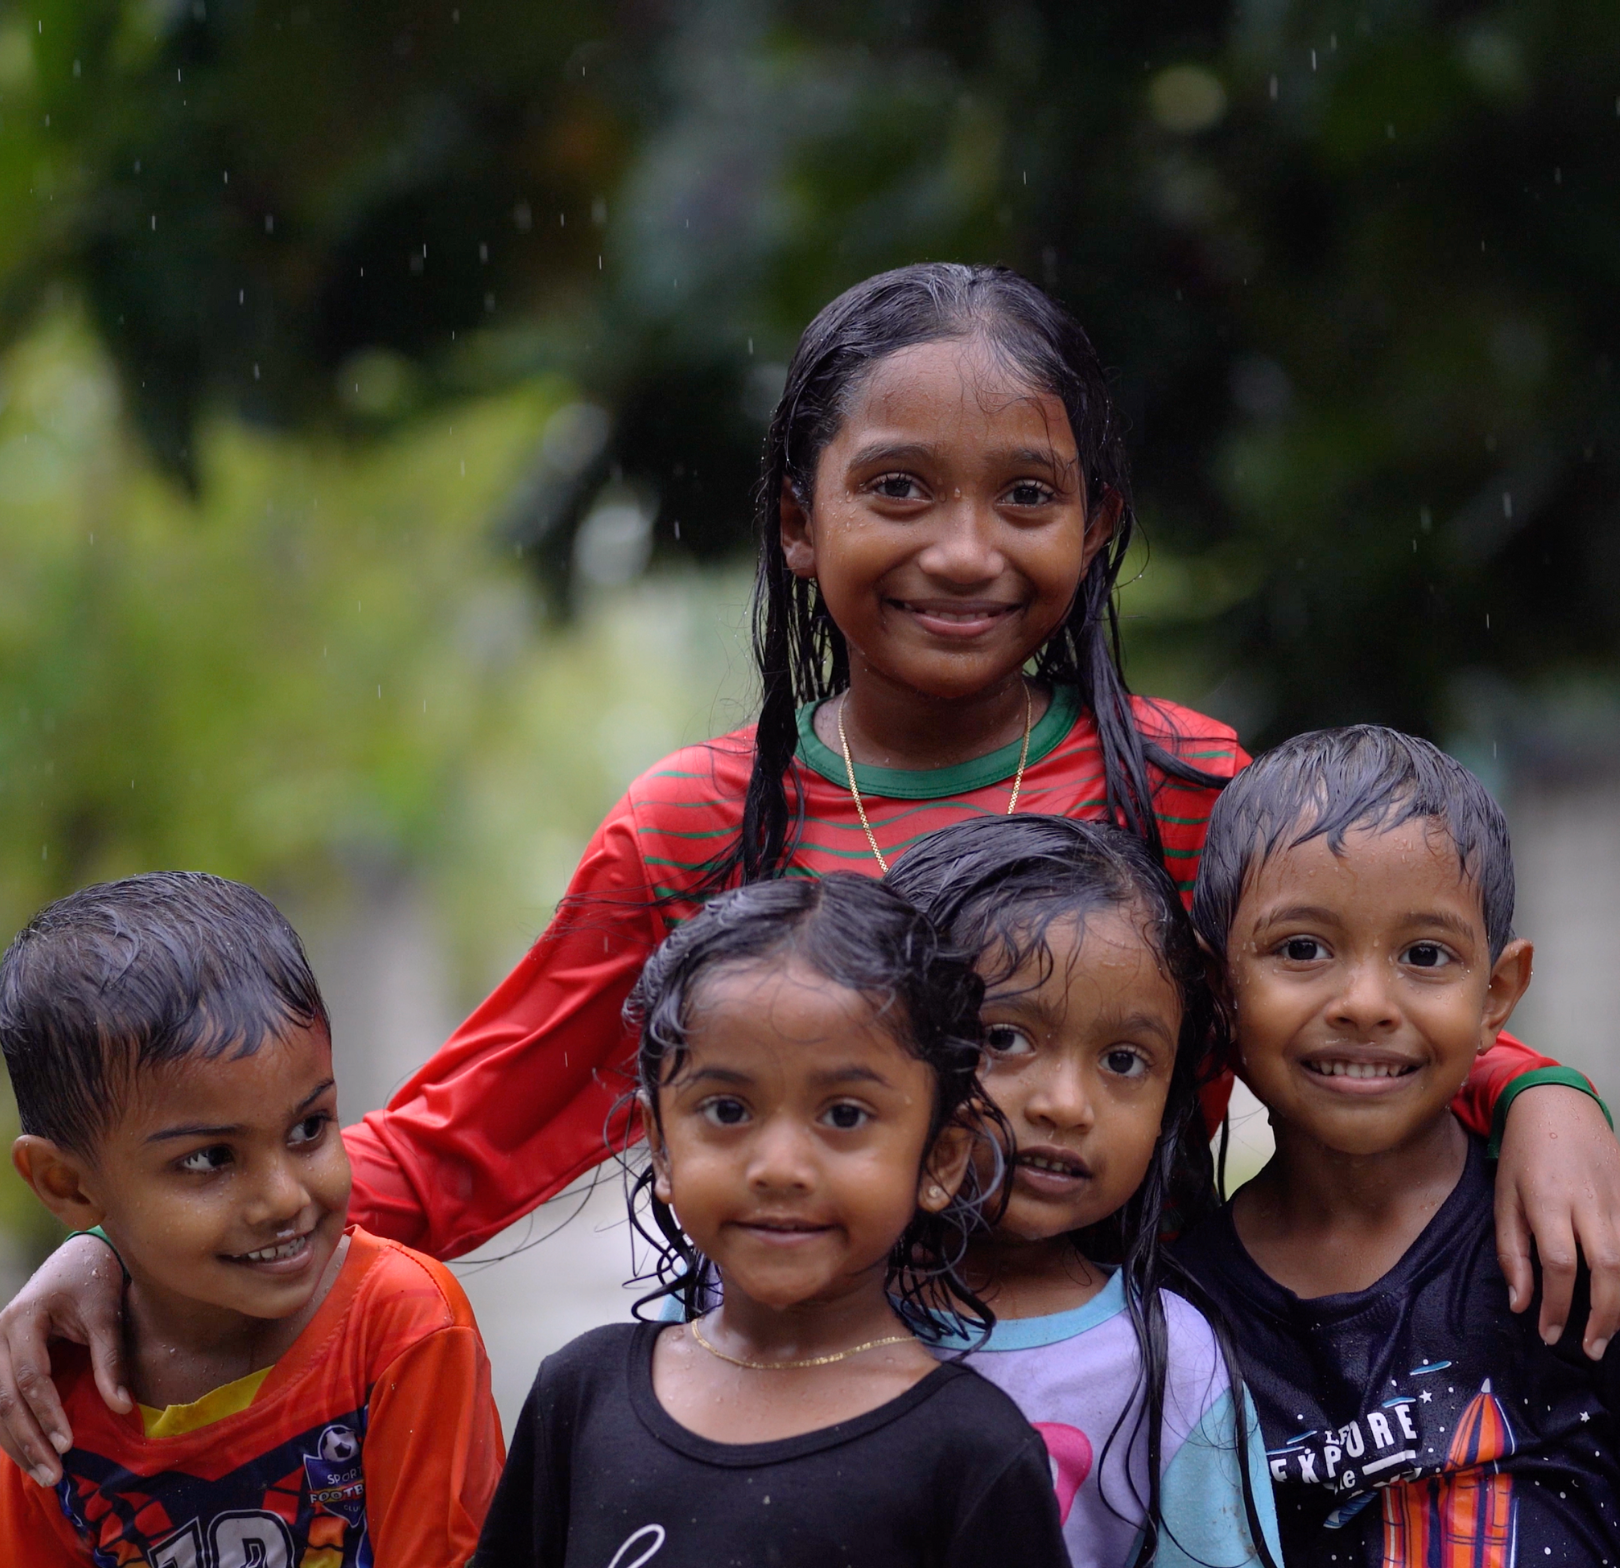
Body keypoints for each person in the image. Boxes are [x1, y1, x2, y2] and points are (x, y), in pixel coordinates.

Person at [4, 263, 1615, 1481]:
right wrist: (124, 1240)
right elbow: (460, 1147)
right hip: (787, 1440)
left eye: (1028, 499)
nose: (965, 551)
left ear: (1098, 520)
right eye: (898, 489)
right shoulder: (699, 829)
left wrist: (1533, 1093)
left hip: (1130, 1434)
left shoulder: (1183, 783)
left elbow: (1354, 998)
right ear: (796, 518)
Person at [434, 873, 1084, 1568]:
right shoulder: (579, 1396)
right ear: (663, 1149)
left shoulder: (971, 1454)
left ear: (939, 1159)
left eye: (844, 1115)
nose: (778, 1167)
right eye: (728, 1109)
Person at [1175, 728, 1620, 1568]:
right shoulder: (1180, 1314)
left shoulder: (1565, 1237)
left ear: (1496, 996)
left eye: (1424, 956)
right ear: (1218, 991)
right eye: (1301, 949)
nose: (1366, 1005)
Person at [0, 873, 504, 1568]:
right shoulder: (47, 1390)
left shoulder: (399, 1327)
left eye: (310, 1129)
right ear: (69, 1186)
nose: (286, 1199)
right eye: (209, 1159)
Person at [889, 815, 1292, 1568]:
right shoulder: (759, 1304)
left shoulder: (1169, 1368)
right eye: (1003, 1037)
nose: (1067, 1105)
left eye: (1122, 1061)